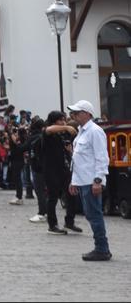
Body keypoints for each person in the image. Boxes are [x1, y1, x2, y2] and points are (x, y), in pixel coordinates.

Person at [66, 100, 111, 261]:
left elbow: (102, 158)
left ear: (87, 114)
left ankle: (102, 248)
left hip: (91, 181)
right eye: (73, 113)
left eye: (77, 113)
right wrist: (74, 180)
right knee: (91, 214)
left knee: (94, 215)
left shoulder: (95, 131)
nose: (73, 115)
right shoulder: (82, 132)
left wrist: (98, 180)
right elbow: (78, 159)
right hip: (84, 180)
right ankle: (101, 247)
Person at [42, 110, 80, 234]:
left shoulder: (63, 135)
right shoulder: (48, 133)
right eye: (60, 120)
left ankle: (69, 222)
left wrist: (70, 150)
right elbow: (49, 129)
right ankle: (52, 225)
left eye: (64, 120)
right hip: (51, 170)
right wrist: (66, 127)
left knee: (71, 194)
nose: (63, 122)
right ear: (53, 121)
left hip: (64, 169)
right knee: (52, 197)